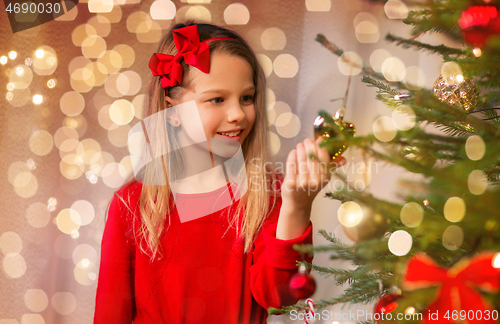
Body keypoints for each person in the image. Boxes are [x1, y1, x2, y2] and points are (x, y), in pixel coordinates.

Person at [93, 21, 344, 324]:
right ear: (172, 111)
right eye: (217, 99)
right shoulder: (132, 205)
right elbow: (110, 316)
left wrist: (297, 208)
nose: (238, 114)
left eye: (247, 98)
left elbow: (280, 297)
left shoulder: (268, 192)